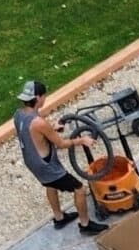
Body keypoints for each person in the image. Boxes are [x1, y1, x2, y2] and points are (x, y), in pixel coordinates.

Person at [15, 81, 105, 235]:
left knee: (50, 185)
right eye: (44, 96)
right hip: (47, 166)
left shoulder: (19, 114)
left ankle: (59, 218)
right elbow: (62, 143)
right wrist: (82, 140)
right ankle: (85, 225)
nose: (45, 99)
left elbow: (36, 134)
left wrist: (52, 128)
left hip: (32, 161)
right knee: (79, 189)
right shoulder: (38, 122)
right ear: (38, 97)